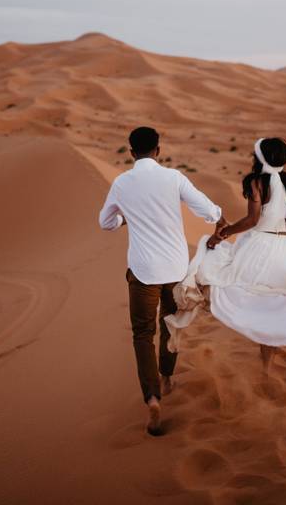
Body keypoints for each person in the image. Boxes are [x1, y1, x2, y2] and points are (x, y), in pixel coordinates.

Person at [166, 137, 286, 371]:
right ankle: (267, 364)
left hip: (259, 247)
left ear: (259, 158)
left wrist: (223, 233)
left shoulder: (257, 182)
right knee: (276, 300)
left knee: (223, 281)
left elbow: (252, 219)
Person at [98, 126, 225, 435]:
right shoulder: (173, 177)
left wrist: (124, 217)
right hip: (176, 268)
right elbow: (207, 210)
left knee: (143, 334)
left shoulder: (121, 183)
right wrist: (219, 219)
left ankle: (152, 397)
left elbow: (105, 223)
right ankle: (167, 377)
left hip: (143, 272)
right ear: (158, 150)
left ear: (131, 152)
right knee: (171, 323)